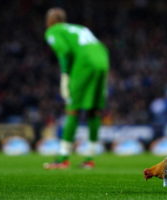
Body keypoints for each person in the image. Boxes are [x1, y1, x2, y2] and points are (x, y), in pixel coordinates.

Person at [43, 8, 109, 169]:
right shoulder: (80, 28)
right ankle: (90, 159)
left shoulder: (53, 30)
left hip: (84, 63)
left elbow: (64, 51)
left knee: (72, 110)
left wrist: (65, 75)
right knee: (94, 111)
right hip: (102, 60)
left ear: (49, 22)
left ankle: (63, 158)